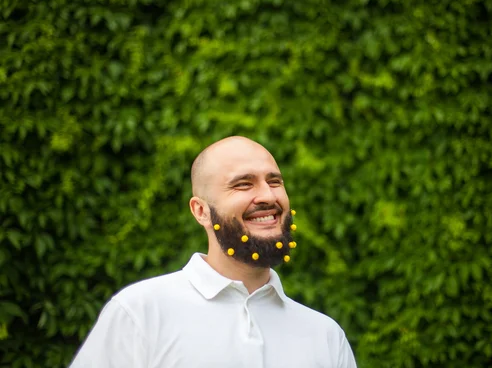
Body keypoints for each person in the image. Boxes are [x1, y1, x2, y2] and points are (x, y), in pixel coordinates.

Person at [70, 136, 357, 368]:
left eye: (275, 181)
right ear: (201, 211)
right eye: (243, 184)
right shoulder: (140, 313)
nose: (268, 196)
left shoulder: (325, 336)